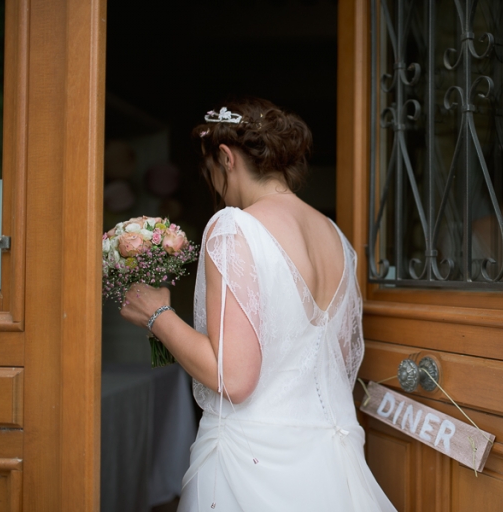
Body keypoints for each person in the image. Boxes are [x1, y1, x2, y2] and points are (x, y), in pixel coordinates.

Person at [119, 98, 396, 511]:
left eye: (209, 171)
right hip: (330, 462)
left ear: (226, 158)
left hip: (251, 466)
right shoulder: (336, 238)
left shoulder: (235, 227)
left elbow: (233, 378)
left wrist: (157, 316)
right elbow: (336, 360)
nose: (214, 186)